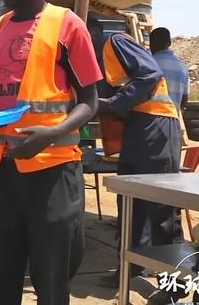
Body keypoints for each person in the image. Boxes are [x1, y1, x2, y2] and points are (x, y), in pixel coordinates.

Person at [0, 0, 102, 304]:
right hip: (1, 169)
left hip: (52, 171)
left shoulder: (66, 24)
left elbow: (89, 101)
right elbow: (4, 96)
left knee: (51, 278)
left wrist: (52, 133)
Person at [88, 20, 184, 302]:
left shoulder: (115, 42)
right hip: (137, 128)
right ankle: (131, 269)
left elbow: (151, 74)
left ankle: (174, 285)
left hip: (157, 126)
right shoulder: (95, 60)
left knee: (161, 206)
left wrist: (115, 104)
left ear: (88, 34)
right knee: (131, 202)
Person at [150, 27, 189, 111]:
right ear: (169, 43)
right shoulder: (182, 67)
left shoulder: (148, 64)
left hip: (150, 121)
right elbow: (184, 100)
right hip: (173, 120)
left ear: (151, 44)